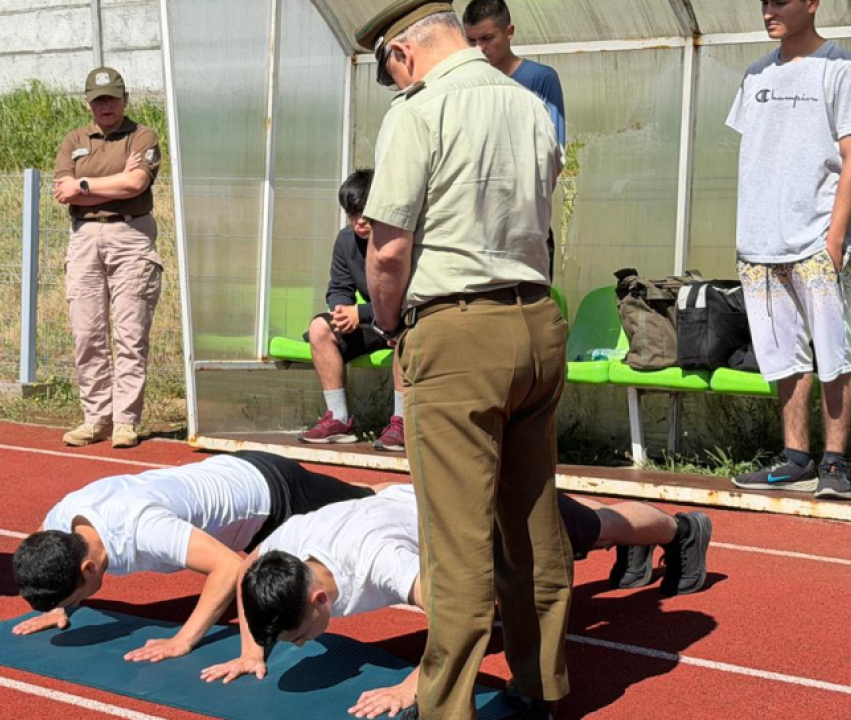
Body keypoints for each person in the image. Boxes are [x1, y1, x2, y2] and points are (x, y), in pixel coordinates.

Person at [355, 3, 568, 717]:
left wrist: (391, 327)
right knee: (533, 522)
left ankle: (445, 703)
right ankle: (542, 684)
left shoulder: (417, 112)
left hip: (456, 328)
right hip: (536, 318)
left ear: (402, 55)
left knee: (455, 537)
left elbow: (387, 249)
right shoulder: (529, 102)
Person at [200, 486, 712, 719]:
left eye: (300, 634)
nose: (303, 643)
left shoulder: (380, 562)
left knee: (595, 530)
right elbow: (249, 570)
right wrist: (252, 652)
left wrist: (410, 688)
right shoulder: (287, 550)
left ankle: (682, 528)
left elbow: (460, 616)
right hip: (419, 512)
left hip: (476, 512)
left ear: (317, 598)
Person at [10, 451, 381, 662]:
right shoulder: (61, 521)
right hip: (230, 474)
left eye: (76, 596)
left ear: (88, 568)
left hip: (274, 492)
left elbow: (230, 567)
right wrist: (57, 605)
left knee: (370, 505)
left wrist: (183, 640)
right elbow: (40, 541)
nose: (77, 603)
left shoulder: (141, 527)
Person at [726, 0, 851, 501]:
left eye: (780, 1)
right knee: (782, 355)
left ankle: (836, 463)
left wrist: (836, 239)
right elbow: (759, 154)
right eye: (764, 2)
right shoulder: (755, 75)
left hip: (818, 240)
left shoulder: (842, 69)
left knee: (833, 353)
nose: (768, 10)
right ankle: (796, 459)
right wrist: (749, 232)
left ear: (811, 3)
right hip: (760, 243)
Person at [54, 66, 164, 450]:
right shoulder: (74, 140)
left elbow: (136, 183)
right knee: (87, 334)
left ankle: (125, 421)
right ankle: (96, 418)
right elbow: (64, 193)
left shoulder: (142, 136)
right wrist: (110, 185)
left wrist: (84, 185)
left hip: (130, 235)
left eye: (112, 98)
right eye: (98, 99)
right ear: (88, 103)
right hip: (84, 237)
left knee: (131, 334)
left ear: (125, 99)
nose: (106, 105)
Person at [300, 170, 405, 452]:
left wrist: (363, 313)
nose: (359, 220)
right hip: (373, 323)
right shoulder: (345, 241)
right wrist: (341, 310)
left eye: (365, 212)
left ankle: (402, 422)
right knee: (320, 328)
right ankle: (338, 419)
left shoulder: (402, 238)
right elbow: (338, 286)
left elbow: (410, 295)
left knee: (405, 334)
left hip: (404, 319)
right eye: (352, 213)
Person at [461, 0, 565, 280]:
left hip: (526, 227)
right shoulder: (465, 85)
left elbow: (552, 157)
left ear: (509, 32)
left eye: (487, 38)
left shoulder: (541, 80)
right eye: (470, 41)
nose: (479, 48)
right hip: (475, 228)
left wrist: (526, 208)